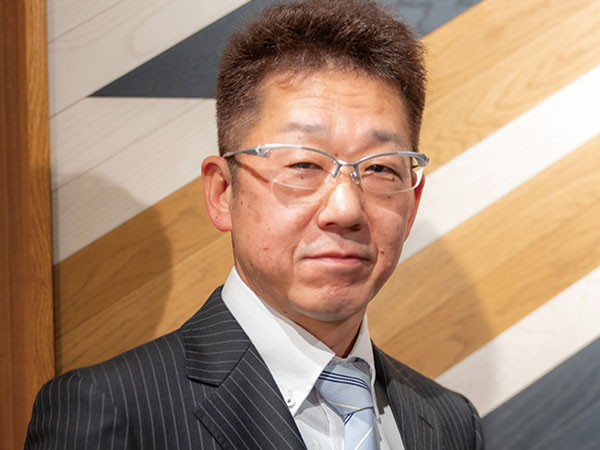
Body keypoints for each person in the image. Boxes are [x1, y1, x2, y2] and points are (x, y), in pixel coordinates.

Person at [25, 1, 484, 449]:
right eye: (303, 164)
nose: (346, 210)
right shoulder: (112, 412)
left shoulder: (450, 422)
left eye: (380, 168)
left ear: (412, 202)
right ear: (223, 192)